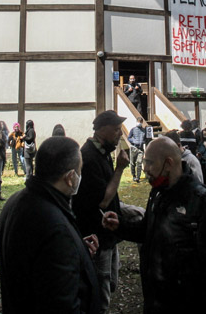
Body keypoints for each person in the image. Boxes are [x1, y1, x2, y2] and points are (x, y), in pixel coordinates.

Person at [102, 136, 206, 313]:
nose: (145, 169)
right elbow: (146, 230)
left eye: (149, 163)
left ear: (168, 163)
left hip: (188, 303)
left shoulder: (203, 202)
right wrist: (120, 226)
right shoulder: (158, 193)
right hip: (156, 299)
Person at [0, 136, 101, 313]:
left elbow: (36, 256)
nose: (80, 176)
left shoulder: (17, 201)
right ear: (70, 177)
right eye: (80, 170)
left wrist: (75, 249)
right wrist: (65, 244)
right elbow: (62, 303)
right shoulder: (55, 226)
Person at [71, 110, 129, 312]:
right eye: (116, 129)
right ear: (102, 130)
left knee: (111, 282)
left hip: (108, 232)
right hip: (97, 235)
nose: (120, 134)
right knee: (100, 291)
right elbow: (103, 201)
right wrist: (120, 169)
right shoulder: (89, 156)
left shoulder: (102, 152)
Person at [128, 117, 146, 183]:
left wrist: (143, 142)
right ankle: (133, 176)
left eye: (141, 122)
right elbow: (128, 138)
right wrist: (133, 141)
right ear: (136, 122)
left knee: (139, 163)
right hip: (134, 148)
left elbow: (146, 139)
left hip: (140, 149)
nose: (139, 123)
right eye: (139, 122)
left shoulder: (144, 130)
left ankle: (138, 177)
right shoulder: (133, 129)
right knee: (132, 163)